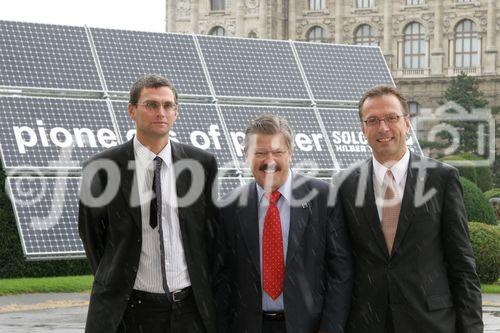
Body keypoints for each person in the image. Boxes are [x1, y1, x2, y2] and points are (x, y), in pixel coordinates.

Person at [335, 85, 483, 333]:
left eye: (391, 118)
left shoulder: (441, 179)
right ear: (362, 129)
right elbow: (340, 265)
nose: (383, 128)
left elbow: (462, 266)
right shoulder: (345, 185)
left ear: (407, 123)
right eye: (372, 120)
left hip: (430, 323)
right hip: (366, 323)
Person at [78, 74, 218, 333]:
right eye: (151, 105)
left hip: (189, 311)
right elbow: (93, 239)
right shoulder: (101, 169)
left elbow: (209, 235)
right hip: (128, 311)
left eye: (168, 105)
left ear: (176, 111)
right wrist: (117, 279)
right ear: (132, 110)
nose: (160, 112)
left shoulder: (201, 165)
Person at [215, 114, 353, 333]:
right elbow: (222, 279)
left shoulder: (323, 199)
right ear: (246, 156)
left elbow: (340, 274)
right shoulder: (228, 208)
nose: (269, 161)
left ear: (290, 154)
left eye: (278, 152)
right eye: (260, 153)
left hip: (309, 327)